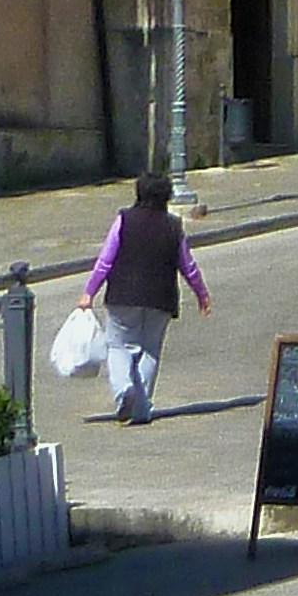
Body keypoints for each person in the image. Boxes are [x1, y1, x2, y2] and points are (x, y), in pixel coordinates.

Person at [83, 168, 211, 423]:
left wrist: (89, 292)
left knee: (118, 346)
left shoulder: (124, 219)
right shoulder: (174, 226)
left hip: (123, 295)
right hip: (160, 298)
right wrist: (202, 294)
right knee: (150, 351)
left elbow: (105, 261)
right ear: (167, 196)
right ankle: (141, 409)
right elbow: (188, 266)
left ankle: (124, 392)